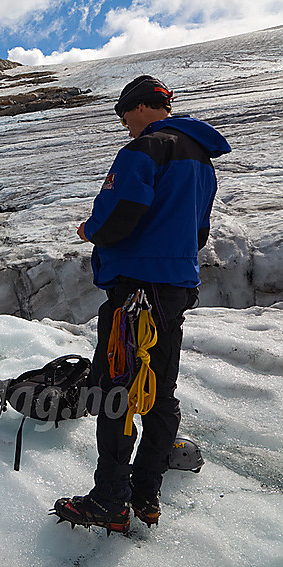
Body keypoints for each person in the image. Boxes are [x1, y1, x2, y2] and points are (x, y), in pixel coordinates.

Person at [53, 76, 231, 533]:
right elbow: (199, 232)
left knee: (116, 392)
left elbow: (120, 215)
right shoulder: (202, 161)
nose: (125, 126)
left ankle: (109, 499)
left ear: (136, 108)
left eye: (124, 116)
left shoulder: (143, 150)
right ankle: (146, 494)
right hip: (174, 290)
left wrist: (91, 231)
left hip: (133, 292)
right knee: (158, 392)